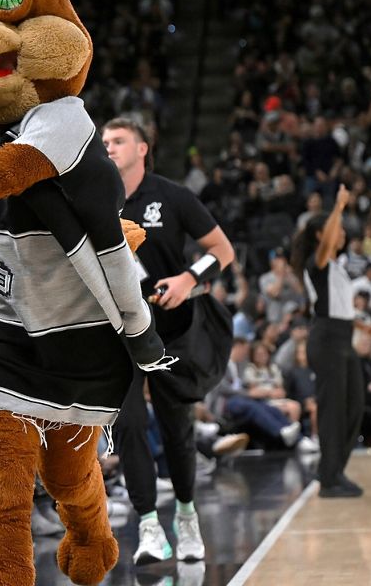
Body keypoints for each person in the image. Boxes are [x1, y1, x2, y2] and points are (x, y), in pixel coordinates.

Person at [103, 117, 236, 563]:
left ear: (143, 148)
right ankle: (147, 527)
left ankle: (186, 515)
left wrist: (188, 278)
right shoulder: (91, 197)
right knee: (129, 424)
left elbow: (223, 250)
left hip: (170, 328)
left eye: (119, 140)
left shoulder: (172, 195)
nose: (109, 146)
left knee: (178, 431)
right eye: (104, 141)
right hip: (118, 329)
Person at [292, 184, 367, 498]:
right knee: (333, 410)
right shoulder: (317, 262)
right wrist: (338, 207)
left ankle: (335, 471)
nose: (342, 233)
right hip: (327, 341)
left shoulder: (336, 266)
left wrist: (363, 326)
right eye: (334, 229)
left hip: (342, 337)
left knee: (354, 405)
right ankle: (330, 478)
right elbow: (326, 313)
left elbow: (336, 306)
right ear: (321, 235)